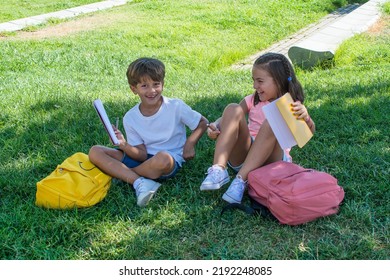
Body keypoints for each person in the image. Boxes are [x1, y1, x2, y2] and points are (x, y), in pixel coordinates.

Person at [89, 57, 208, 207]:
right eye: (144, 86)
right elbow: (141, 154)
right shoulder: (130, 117)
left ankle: (124, 174)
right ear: (134, 89)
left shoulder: (175, 106)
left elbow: (202, 122)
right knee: (95, 151)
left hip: (168, 160)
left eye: (156, 84)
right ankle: (138, 181)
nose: (152, 91)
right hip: (144, 160)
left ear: (163, 84)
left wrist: (190, 144)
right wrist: (124, 145)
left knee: (162, 158)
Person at [200, 52, 315, 204]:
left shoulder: (291, 105)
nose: (255, 86)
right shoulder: (252, 100)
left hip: (273, 162)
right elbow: (230, 117)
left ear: (279, 81)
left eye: (260, 81)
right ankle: (218, 169)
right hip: (245, 157)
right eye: (254, 80)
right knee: (233, 108)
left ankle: (240, 181)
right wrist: (216, 125)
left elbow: (307, 134)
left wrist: (306, 118)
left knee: (270, 123)